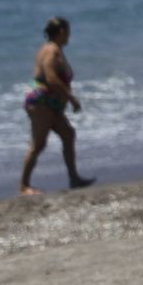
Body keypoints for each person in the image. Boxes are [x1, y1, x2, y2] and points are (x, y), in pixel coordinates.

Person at [20, 16, 96, 195]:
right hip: (41, 102)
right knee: (38, 144)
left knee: (68, 134)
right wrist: (71, 98)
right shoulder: (51, 50)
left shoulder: (56, 49)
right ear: (62, 31)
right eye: (68, 31)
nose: (70, 35)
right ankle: (23, 186)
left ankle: (74, 178)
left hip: (51, 104)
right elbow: (51, 78)